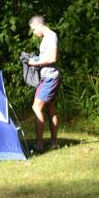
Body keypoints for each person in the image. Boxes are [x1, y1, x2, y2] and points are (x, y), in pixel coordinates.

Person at [26, 15, 60, 151]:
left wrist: (35, 62)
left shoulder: (51, 36)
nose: (34, 33)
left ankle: (39, 144)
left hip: (49, 78)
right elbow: (48, 56)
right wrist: (36, 58)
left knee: (36, 107)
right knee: (50, 109)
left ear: (39, 25)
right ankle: (54, 143)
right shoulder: (48, 38)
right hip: (51, 76)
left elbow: (53, 57)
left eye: (34, 29)